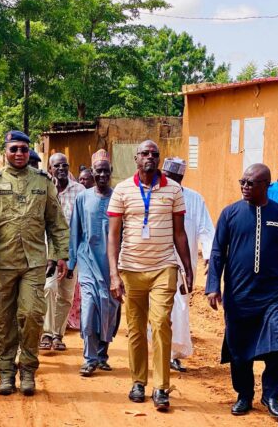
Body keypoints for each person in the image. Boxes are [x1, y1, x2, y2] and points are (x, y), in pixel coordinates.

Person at [0, 130, 69, 397]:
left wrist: (60, 255)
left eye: (24, 149)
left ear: (29, 152)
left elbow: (57, 223)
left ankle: (27, 370)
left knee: (32, 315)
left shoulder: (43, 181)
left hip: (35, 262)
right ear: (6, 151)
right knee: (4, 319)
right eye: (14, 149)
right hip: (2, 262)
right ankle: (5, 372)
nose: (19, 154)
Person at [205, 163, 278, 419]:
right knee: (239, 347)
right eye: (243, 182)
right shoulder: (230, 214)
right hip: (239, 296)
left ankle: (271, 395)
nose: (245, 187)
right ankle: (244, 395)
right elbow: (217, 253)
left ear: (265, 185)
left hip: (273, 296)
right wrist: (213, 286)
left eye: (251, 183)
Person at [107, 140, 194, 411]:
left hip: (163, 267)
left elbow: (179, 233)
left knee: (160, 324)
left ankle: (161, 387)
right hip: (131, 269)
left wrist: (188, 268)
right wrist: (114, 274)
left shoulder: (174, 190)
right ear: (136, 158)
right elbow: (113, 235)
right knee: (134, 329)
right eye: (145, 153)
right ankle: (138, 382)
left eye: (154, 154)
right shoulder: (122, 190)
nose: (150, 157)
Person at [69, 150, 120, 377]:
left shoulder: (118, 198)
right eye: (97, 171)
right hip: (88, 260)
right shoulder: (83, 197)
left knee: (108, 310)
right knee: (89, 309)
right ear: (92, 171)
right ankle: (89, 358)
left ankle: (102, 355)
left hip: (111, 265)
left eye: (105, 171)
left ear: (111, 173)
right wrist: (71, 262)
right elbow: (75, 230)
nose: (101, 175)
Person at [161, 157, 214, 373]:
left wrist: (210, 257)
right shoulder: (154, 196)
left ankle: (172, 354)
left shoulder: (194, 199)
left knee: (179, 308)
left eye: (172, 178)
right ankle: (157, 351)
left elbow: (206, 230)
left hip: (183, 264)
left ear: (180, 178)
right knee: (158, 308)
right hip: (157, 261)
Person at [40, 153, 85, 351]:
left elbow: (82, 225)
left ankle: (58, 335)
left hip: (71, 252)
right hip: (48, 251)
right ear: (50, 169)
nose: (61, 169)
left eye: (65, 166)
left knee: (66, 295)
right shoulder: (43, 188)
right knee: (49, 288)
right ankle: (47, 333)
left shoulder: (79, 191)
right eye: (57, 166)